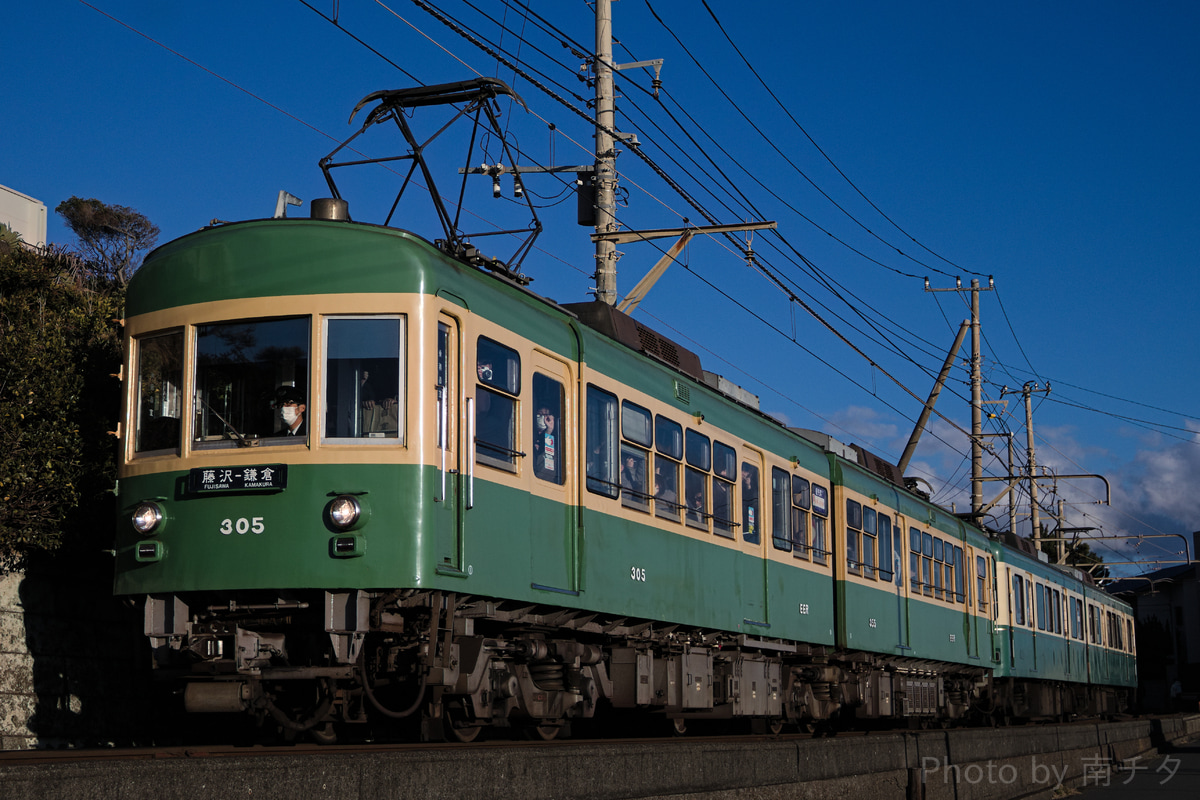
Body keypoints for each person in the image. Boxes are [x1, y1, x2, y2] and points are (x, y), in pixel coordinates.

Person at [533, 407, 559, 481]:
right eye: (540, 414)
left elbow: (546, 449)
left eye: (546, 415)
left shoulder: (554, 439)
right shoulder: (529, 434)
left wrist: (549, 429)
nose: (543, 418)